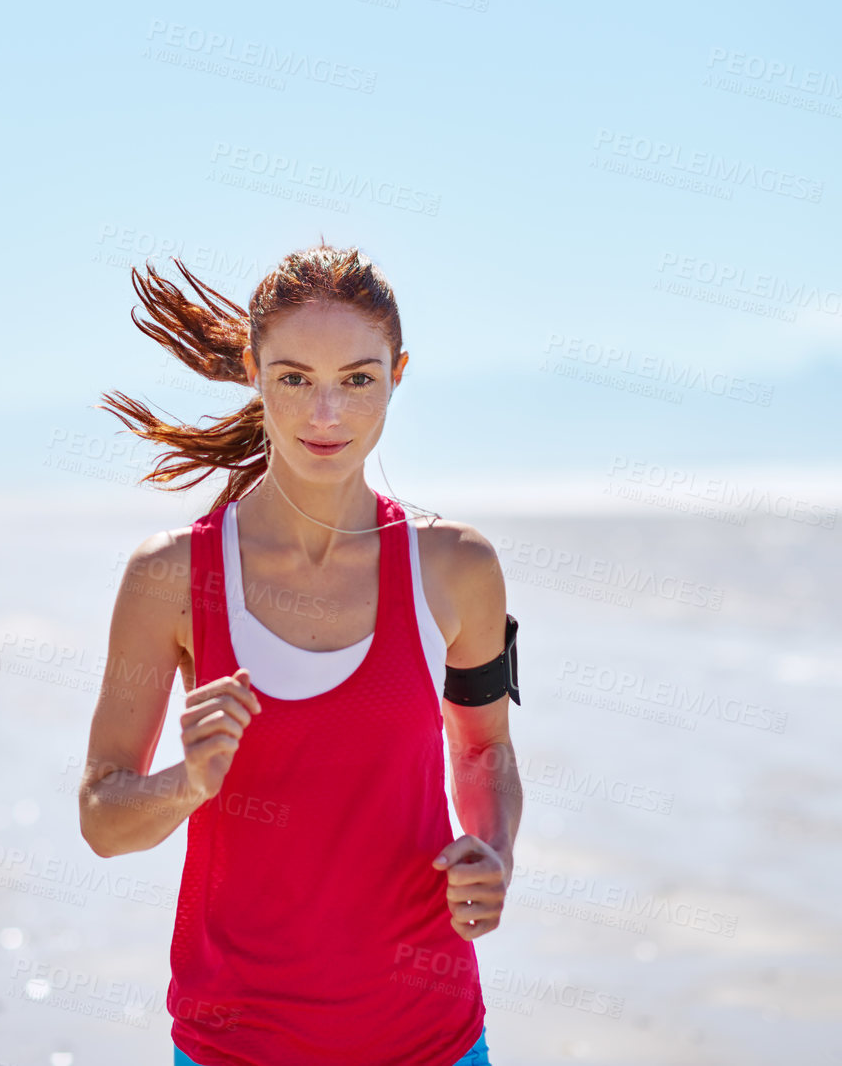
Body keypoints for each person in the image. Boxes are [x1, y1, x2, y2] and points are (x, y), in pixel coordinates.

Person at [77, 244, 524, 1065]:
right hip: (235, 1046)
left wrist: (494, 848)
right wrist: (188, 782)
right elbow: (102, 819)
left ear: (399, 373)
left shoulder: (459, 569)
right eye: (294, 378)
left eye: (357, 378)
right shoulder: (171, 577)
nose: (327, 414)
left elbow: (485, 745)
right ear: (252, 370)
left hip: (433, 1040)